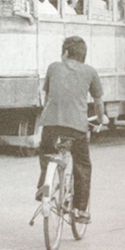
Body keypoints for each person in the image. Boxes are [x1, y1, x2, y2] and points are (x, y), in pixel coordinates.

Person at [36, 36, 104, 224]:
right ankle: (80, 210)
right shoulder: (90, 71)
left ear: (65, 53)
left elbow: (48, 95)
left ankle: (43, 185)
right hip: (76, 127)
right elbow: (98, 102)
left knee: (47, 152)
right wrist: (100, 119)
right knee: (82, 164)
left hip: (51, 124)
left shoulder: (53, 67)